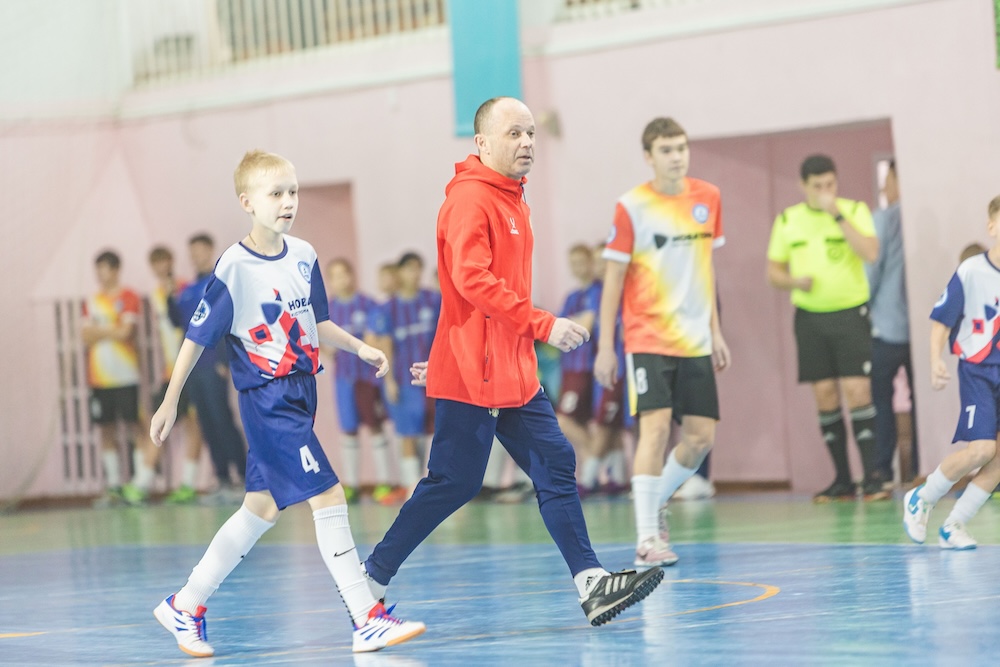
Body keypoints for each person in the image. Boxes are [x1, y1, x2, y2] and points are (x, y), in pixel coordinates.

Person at [361, 97, 663, 627]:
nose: (526, 143)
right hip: (475, 375)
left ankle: (591, 583)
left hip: (513, 370)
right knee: (453, 483)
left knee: (555, 461)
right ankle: (367, 581)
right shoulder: (469, 200)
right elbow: (471, 282)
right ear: (482, 143)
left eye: (530, 133)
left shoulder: (514, 198)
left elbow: (478, 298)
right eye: (513, 134)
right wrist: (542, 325)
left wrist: (451, 351)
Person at [149, 150, 424, 657]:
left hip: (302, 394)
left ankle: (184, 604)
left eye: (292, 191)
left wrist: (360, 348)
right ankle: (367, 618)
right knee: (329, 495)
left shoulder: (304, 255)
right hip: (267, 401)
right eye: (275, 193)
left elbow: (318, 323)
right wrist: (170, 400)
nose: (287, 201)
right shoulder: (233, 267)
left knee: (260, 507)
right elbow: (196, 338)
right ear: (247, 202)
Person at [595, 117, 730, 568]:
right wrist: (606, 346)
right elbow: (613, 279)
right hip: (647, 336)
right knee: (654, 428)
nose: (676, 156)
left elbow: (705, 268)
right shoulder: (631, 206)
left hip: (695, 339)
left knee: (700, 438)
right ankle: (646, 539)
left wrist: (715, 330)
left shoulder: (708, 198)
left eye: (681, 148)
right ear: (649, 157)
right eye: (667, 150)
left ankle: (656, 501)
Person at [766, 154, 881, 502]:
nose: (825, 191)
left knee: (858, 391)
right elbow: (773, 272)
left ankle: (873, 478)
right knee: (826, 395)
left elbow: (871, 252)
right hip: (811, 318)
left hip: (850, 314)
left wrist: (837, 216)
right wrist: (794, 281)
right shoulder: (788, 219)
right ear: (803, 186)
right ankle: (842, 480)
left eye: (830, 184)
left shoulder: (855, 210)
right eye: (817, 186)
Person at [903, 195, 1000, 550]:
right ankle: (922, 497)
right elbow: (941, 321)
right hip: (979, 372)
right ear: (991, 226)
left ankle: (953, 524)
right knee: (982, 450)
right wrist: (935, 360)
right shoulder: (971, 271)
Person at [174, 234, 248, 502]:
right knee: (206, 422)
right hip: (194, 368)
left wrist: (224, 360)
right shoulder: (186, 289)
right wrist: (169, 297)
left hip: (213, 364)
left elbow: (229, 321)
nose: (196, 256)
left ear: (210, 250)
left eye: (200, 251)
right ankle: (223, 478)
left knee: (222, 419)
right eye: (192, 252)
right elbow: (179, 323)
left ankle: (245, 478)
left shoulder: (219, 283)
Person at [137, 246, 207, 504]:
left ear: (171, 262)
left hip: (190, 366)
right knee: (158, 419)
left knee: (193, 422)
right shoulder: (155, 294)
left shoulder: (186, 288)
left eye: (164, 261)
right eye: (155, 263)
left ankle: (188, 482)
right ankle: (144, 481)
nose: (160, 267)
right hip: (170, 370)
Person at [371, 251, 440, 500]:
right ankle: (412, 488)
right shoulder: (388, 308)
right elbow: (385, 344)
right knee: (408, 433)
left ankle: (435, 484)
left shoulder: (434, 300)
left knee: (437, 431)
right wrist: (389, 381)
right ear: (399, 272)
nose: (415, 273)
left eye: (418, 268)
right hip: (404, 380)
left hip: (435, 379)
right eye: (409, 268)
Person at [326, 257, 395, 503]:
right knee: (348, 429)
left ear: (352, 275)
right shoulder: (327, 310)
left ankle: (385, 482)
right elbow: (324, 346)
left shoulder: (369, 305)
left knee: (375, 426)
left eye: (344, 273)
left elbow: (378, 338)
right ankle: (352, 485)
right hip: (343, 379)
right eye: (335, 276)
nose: (341, 280)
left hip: (368, 379)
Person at [867, 160, 917, 488]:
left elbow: (870, 272)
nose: (884, 187)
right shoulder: (914, 219)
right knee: (920, 402)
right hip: (919, 330)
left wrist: (863, 307)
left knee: (881, 401)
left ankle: (883, 471)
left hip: (884, 327)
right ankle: (918, 470)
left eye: (888, 179)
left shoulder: (882, 219)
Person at [82, 250, 143, 508]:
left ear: (116, 270)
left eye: (104, 268)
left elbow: (126, 332)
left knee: (133, 427)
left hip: (125, 375)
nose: (100, 274)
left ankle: (138, 485)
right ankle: (114, 485)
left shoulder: (129, 297)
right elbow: (85, 336)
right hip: (99, 378)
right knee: (106, 430)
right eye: (97, 269)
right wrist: (112, 328)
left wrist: (100, 329)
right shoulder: (92, 300)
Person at [555, 244, 602, 495]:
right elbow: (556, 328)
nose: (577, 267)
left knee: (564, 420)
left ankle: (595, 458)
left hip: (585, 368)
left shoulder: (598, 291)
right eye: (573, 263)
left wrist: (571, 324)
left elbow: (586, 325)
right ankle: (591, 473)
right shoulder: (571, 297)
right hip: (569, 367)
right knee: (579, 422)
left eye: (581, 262)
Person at [586, 242, 629, 495]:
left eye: (604, 261)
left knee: (606, 424)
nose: (600, 267)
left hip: (620, 370)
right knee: (610, 426)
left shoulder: (622, 292)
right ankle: (618, 479)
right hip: (600, 371)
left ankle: (586, 480)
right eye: (597, 262)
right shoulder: (594, 292)